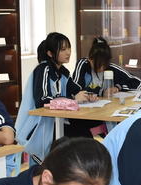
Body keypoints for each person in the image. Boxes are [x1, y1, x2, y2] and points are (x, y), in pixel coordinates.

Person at [15, 33, 96, 161]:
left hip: (53, 123)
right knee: (79, 140)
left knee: (84, 135)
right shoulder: (43, 69)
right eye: (63, 49)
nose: (68, 52)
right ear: (50, 53)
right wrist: (74, 99)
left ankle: (77, 173)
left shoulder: (63, 72)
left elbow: (76, 90)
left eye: (69, 48)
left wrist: (89, 95)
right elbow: (42, 101)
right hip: (36, 127)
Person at [72, 36, 141, 95]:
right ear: (90, 59)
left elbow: (137, 82)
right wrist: (101, 92)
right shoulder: (83, 64)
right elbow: (76, 88)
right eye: (99, 65)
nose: (102, 68)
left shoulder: (111, 67)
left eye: (104, 65)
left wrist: (118, 87)